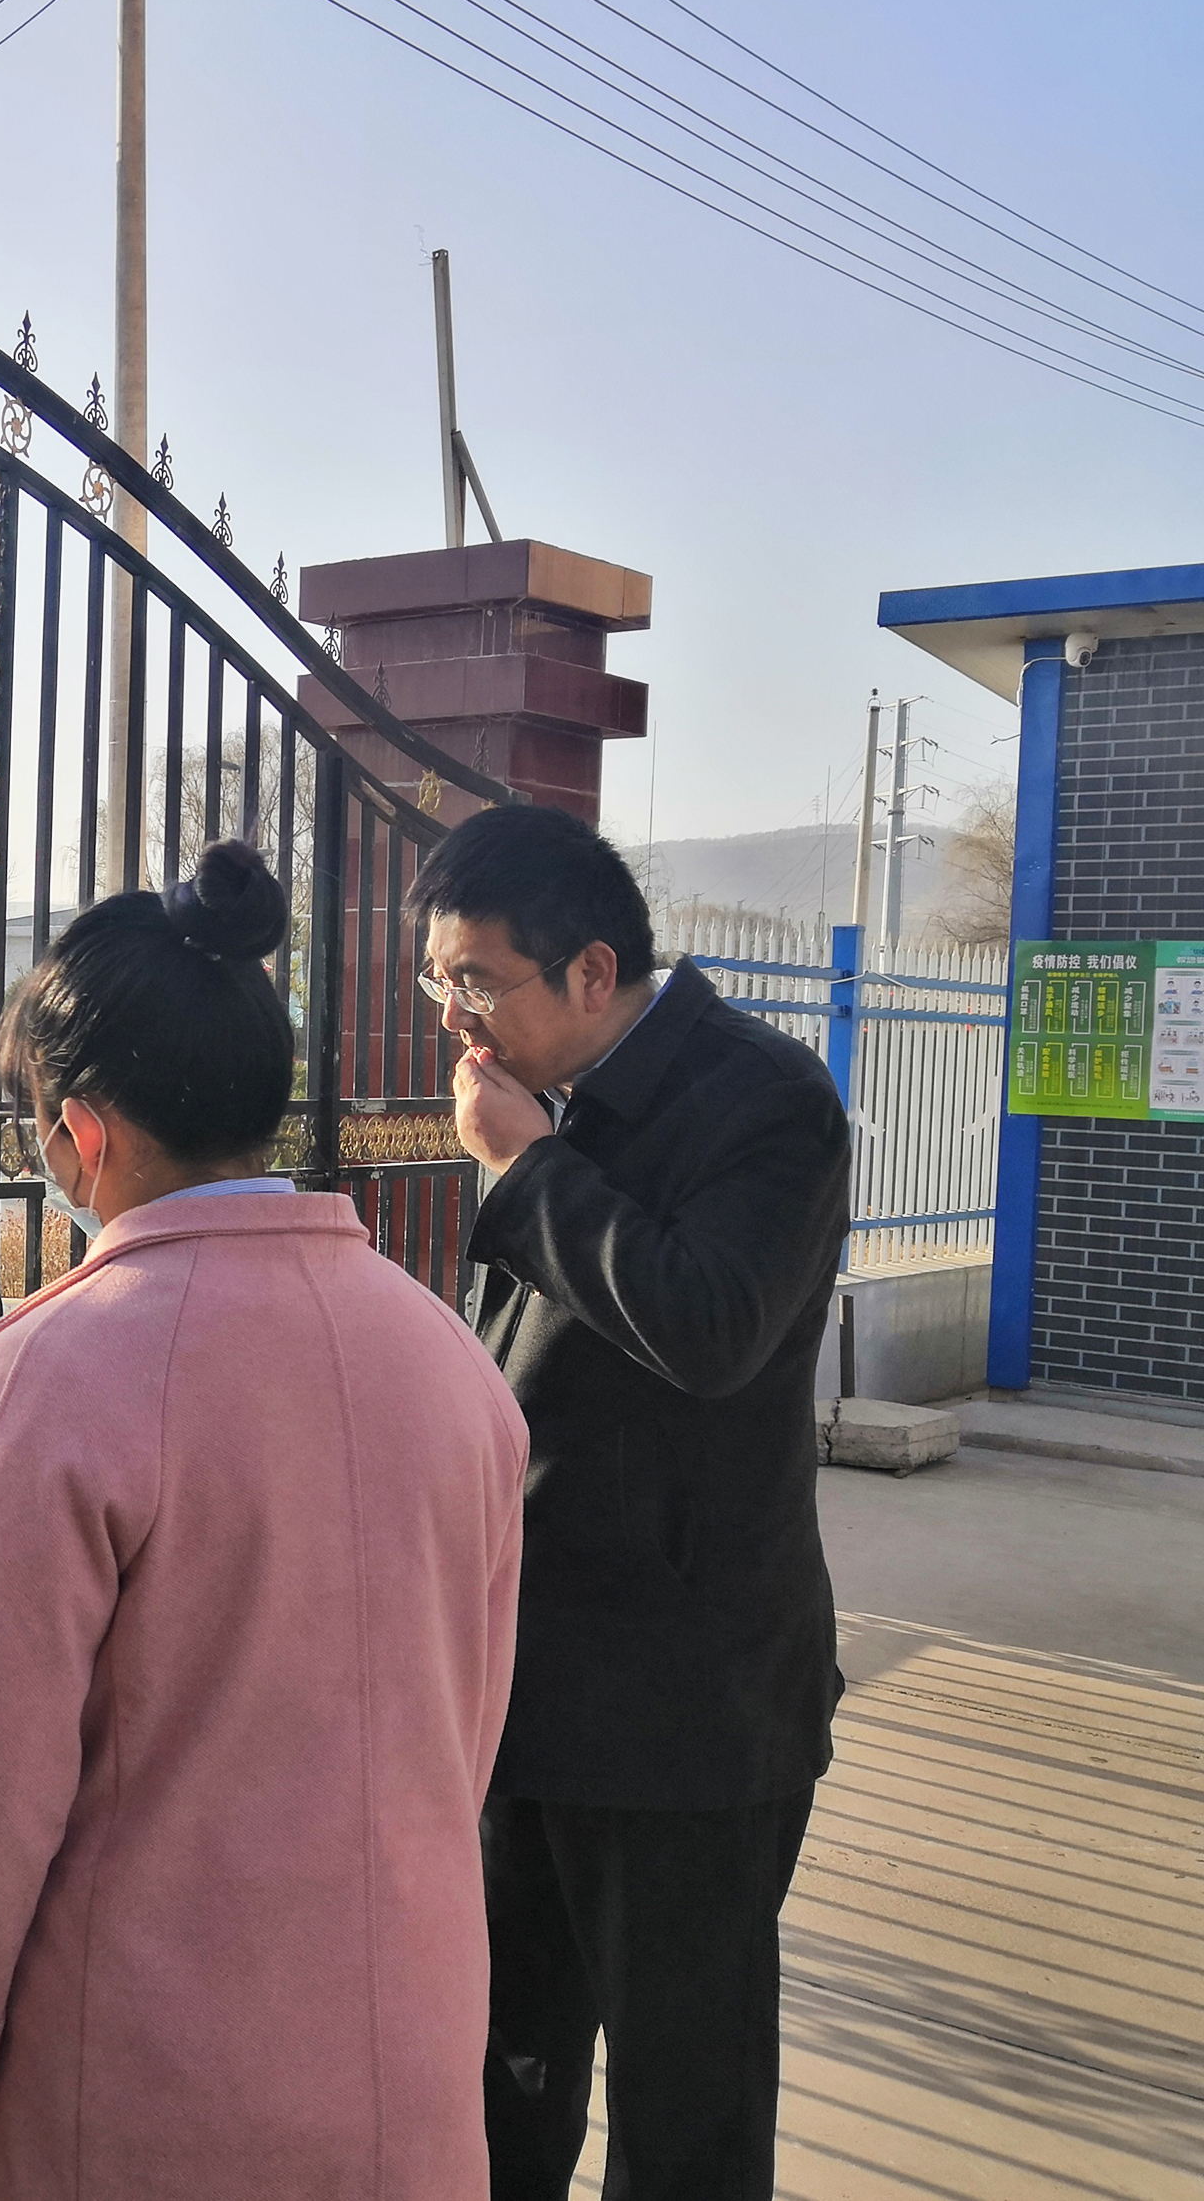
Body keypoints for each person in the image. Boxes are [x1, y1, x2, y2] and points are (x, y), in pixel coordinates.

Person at [0, 842, 531, 2196]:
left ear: (81, 1132)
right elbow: (465, 1732)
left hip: (140, 2093)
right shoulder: (447, 1359)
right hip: (410, 2070)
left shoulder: (66, 1370)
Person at [412, 803, 850, 2201]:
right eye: (439, 980)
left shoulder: (766, 1103)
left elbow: (712, 1327)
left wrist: (528, 1168)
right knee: (501, 2082)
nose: (454, 1017)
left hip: (687, 1711)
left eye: (478, 982)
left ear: (593, 972)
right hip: (524, 1685)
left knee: (685, 2114)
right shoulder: (554, 1096)